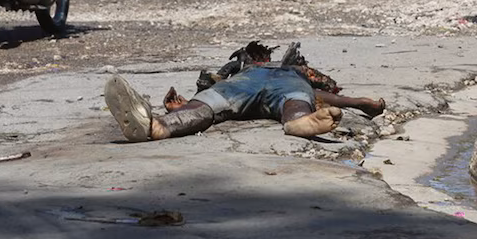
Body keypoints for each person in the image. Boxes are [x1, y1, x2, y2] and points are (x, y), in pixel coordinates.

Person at [104, 42, 381, 143]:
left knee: (208, 105)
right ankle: (298, 122)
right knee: (297, 102)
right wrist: (363, 103)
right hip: (284, 87)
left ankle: (158, 126)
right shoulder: (296, 73)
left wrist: (185, 105)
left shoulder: (243, 71)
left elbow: (209, 88)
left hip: (241, 87)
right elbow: (329, 97)